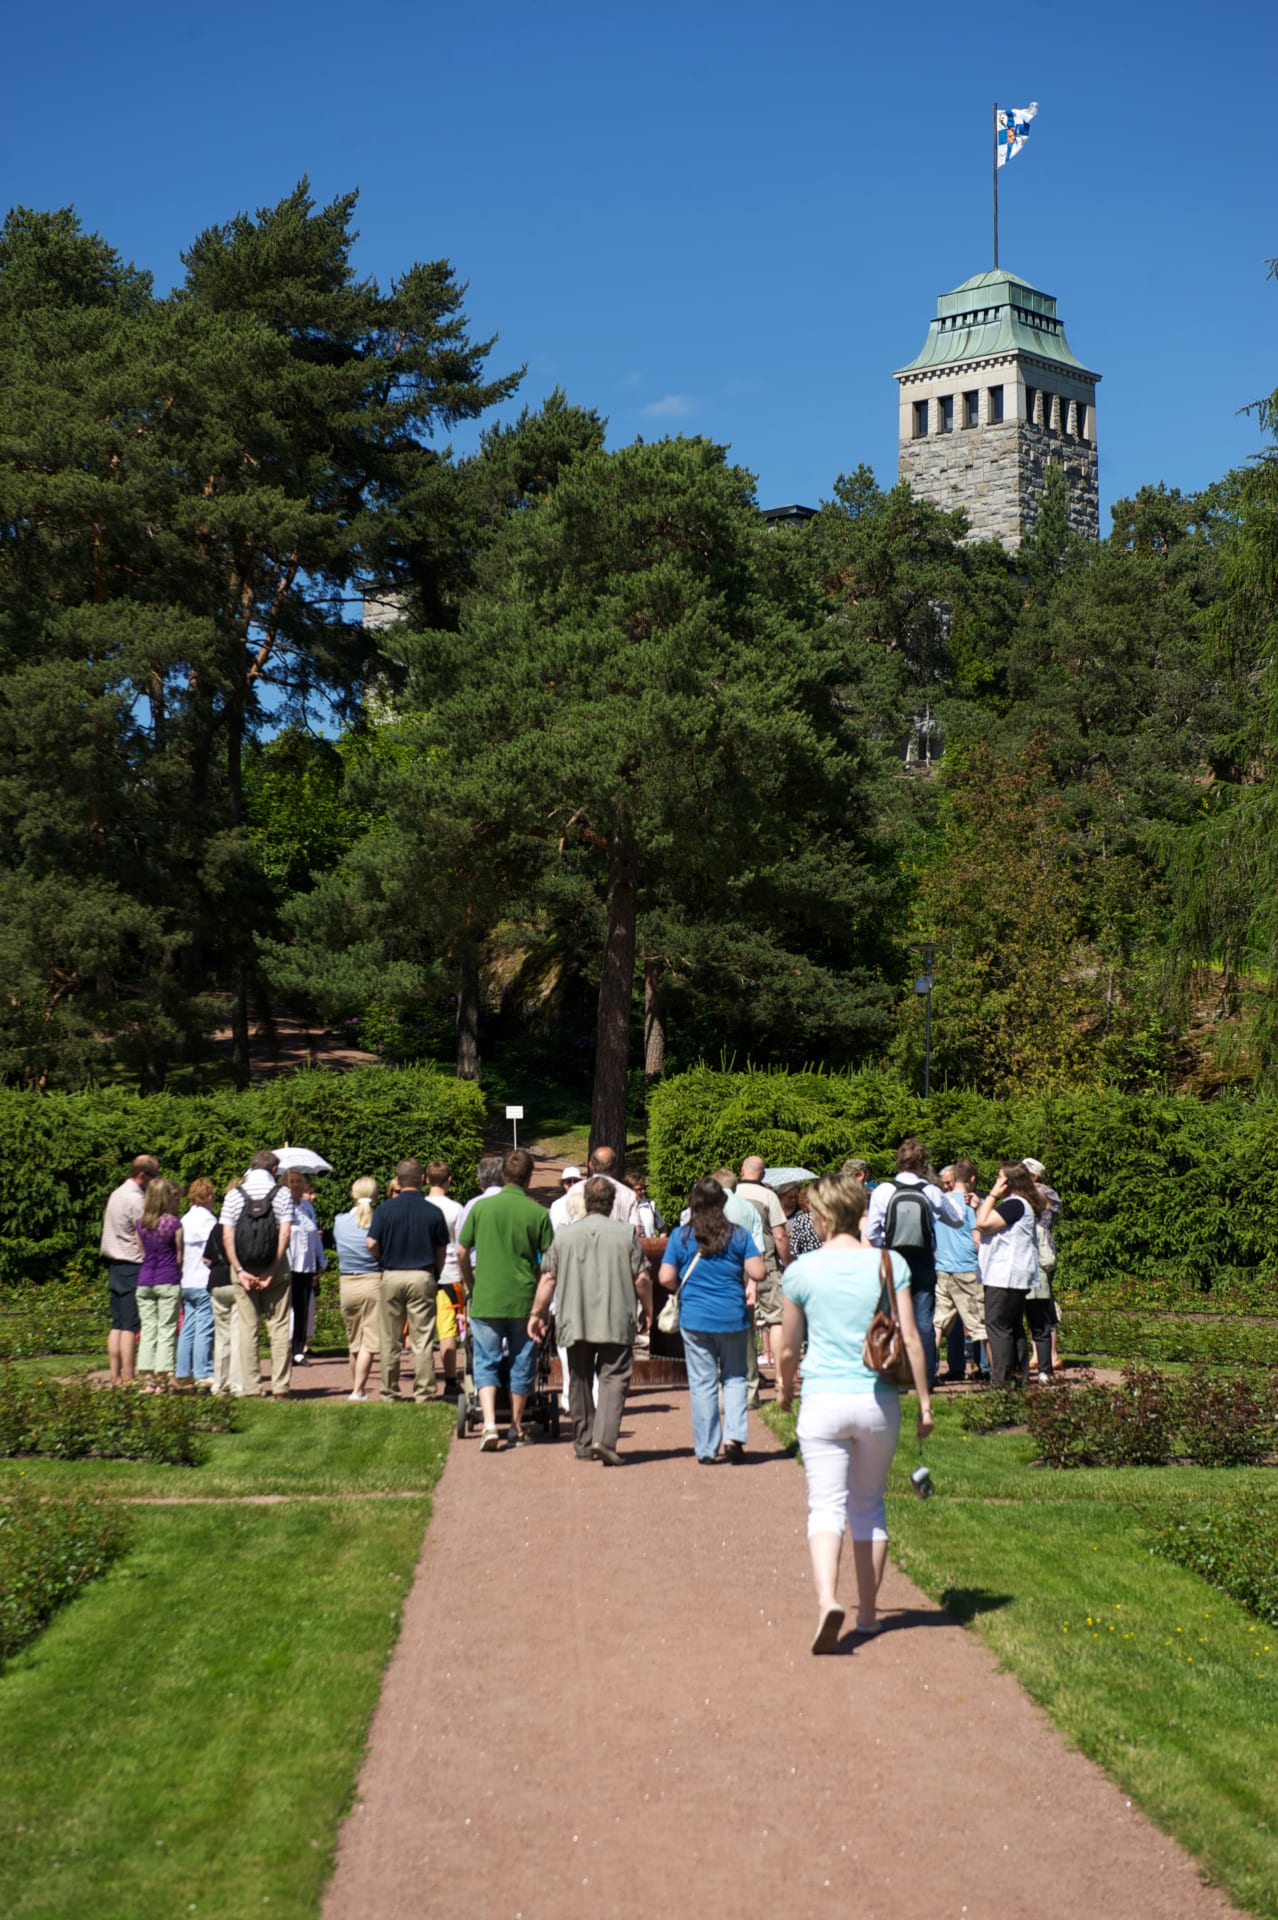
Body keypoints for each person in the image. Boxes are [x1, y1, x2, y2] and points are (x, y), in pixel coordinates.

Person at [777, 1172, 933, 1653]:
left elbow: (787, 1347)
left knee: (825, 1507)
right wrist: (925, 1403)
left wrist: (785, 1389)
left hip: (823, 1399)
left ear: (821, 1217)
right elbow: (910, 1337)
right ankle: (867, 1613)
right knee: (868, 1507)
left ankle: (828, 1600)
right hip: (877, 1401)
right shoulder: (888, 1263)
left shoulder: (802, 1271)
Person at [529, 1176, 653, 1464]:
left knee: (579, 1378)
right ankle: (604, 1439)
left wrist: (538, 1312)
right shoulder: (626, 1234)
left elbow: (548, 1278)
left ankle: (584, 1442)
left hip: (575, 1317)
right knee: (614, 1378)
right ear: (611, 1204)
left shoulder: (564, 1235)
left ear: (585, 1201)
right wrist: (647, 1309)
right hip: (615, 1317)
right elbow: (643, 1278)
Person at [659, 1179, 764, 1466]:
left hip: (696, 1318)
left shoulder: (681, 1236)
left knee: (703, 1383)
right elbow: (759, 1270)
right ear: (722, 1203)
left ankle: (706, 1448)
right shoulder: (738, 1235)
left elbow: (665, 1277)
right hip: (732, 1315)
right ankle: (734, 1437)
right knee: (734, 1377)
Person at [457, 1148, 554, 1450]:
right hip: (524, 1299)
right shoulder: (537, 1213)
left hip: (486, 1296)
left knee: (485, 1359)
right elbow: (550, 1262)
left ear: (503, 1175)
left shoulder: (480, 1209)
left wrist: (471, 1282)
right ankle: (515, 1425)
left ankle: (488, 1423)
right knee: (522, 1361)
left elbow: (461, 1252)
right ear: (529, 1177)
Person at [866, 1139, 966, 1390]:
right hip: (922, 1259)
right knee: (923, 1321)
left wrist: (884, 1247)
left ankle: (897, 1378)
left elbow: (872, 1232)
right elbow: (957, 1219)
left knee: (894, 1318)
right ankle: (926, 1379)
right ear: (922, 1163)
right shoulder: (930, 1191)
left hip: (893, 1258)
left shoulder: (883, 1191)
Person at [368, 1158, 450, 1404]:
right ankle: (424, 1392)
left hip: (392, 1274)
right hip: (422, 1275)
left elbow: (371, 1243)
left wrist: (382, 1257)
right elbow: (442, 1250)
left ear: (398, 1180)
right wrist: (436, 1273)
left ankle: (390, 1391)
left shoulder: (384, 1210)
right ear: (423, 1180)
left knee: (390, 1337)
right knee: (422, 1338)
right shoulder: (433, 1212)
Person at [220, 1149, 295, 1400]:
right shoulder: (282, 1193)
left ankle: (252, 1387)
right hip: (276, 1267)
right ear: (274, 1170)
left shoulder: (233, 1195)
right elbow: (285, 1234)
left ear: (251, 1168)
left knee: (247, 1329)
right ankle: (281, 1387)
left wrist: (240, 1271)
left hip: (243, 1267)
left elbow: (227, 1235)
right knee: (279, 1327)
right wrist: (273, 1269)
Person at [974, 1163, 1045, 1387]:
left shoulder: (1014, 1204)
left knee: (997, 1327)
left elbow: (983, 1224)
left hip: (1004, 1275)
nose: (997, 1182)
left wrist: (993, 1195)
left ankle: (1001, 1382)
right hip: (1015, 1275)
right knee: (1012, 1327)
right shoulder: (1021, 1205)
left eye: (999, 1178)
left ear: (1009, 1182)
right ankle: (1018, 1379)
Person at [99, 1153, 158, 1386]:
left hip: (114, 1263)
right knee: (129, 1325)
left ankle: (115, 1376)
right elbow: (143, 1235)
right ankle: (129, 1376)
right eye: (154, 1176)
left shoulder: (116, 1193)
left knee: (117, 1323)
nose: (156, 1181)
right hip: (132, 1264)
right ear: (142, 1175)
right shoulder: (136, 1200)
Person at [737, 1156, 790, 1378]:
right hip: (764, 1262)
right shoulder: (769, 1196)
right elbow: (780, 1235)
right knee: (776, 1318)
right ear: (763, 1175)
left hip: (735, 1264)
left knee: (741, 1320)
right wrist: (787, 1262)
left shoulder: (730, 1195)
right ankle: (781, 1375)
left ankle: (748, 1374)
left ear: (741, 1171)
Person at [935, 1162, 987, 1382]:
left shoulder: (937, 1202)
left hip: (943, 1267)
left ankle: (928, 1371)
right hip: (967, 1267)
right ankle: (991, 1372)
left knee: (938, 1323)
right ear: (972, 1180)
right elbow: (978, 1238)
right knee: (980, 1324)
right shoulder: (970, 1204)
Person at [333, 1177, 382, 1401]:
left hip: (347, 1282)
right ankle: (357, 1390)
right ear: (375, 1195)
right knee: (369, 1341)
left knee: (354, 1340)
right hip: (372, 1280)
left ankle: (357, 1387)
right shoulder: (378, 1220)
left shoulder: (339, 1221)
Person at [133, 1177, 184, 1391]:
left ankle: (146, 1378)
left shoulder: (140, 1224)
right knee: (166, 1329)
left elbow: (142, 1252)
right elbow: (180, 1255)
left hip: (145, 1281)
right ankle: (163, 1375)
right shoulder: (173, 1223)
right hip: (167, 1279)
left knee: (148, 1329)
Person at [175, 1178, 218, 1389]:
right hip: (203, 1280)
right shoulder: (208, 1221)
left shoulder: (185, 1219)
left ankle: (183, 1370)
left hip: (186, 1280)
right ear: (209, 1197)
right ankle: (203, 1371)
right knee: (205, 1328)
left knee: (188, 1327)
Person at [426, 1161, 464, 1394]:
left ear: (425, 1179)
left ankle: (426, 1378)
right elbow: (460, 1245)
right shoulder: (456, 1209)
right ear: (449, 1179)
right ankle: (450, 1380)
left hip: (423, 1271)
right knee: (448, 1328)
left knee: (423, 1329)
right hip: (449, 1273)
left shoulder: (421, 1206)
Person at [1023, 1157, 1063, 1375]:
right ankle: (1039, 1354)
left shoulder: (1042, 1192)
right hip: (1034, 1246)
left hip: (1041, 1248)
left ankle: (1051, 1354)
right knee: (1034, 1301)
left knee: (1044, 1300)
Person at [204, 1181, 243, 1398]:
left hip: (216, 1282)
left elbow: (206, 1258)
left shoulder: (217, 1227)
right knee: (238, 1335)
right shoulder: (241, 1227)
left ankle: (219, 1383)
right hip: (236, 1280)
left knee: (221, 1337)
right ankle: (237, 1385)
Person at [284, 1168, 321, 1366]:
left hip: (306, 1265)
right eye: (292, 1182)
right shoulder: (283, 1207)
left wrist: (320, 1260)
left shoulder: (307, 1207)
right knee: (285, 1309)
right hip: (289, 1264)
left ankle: (299, 1350)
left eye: (299, 1181)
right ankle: (284, 1349)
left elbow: (314, 1235)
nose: (296, 1185)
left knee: (302, 1309)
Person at [587, 1145, 641, 1227]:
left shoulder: (575, 1190)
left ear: (590, 1166)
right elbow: (636, 1229)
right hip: (619, 1239)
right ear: (615, 1167)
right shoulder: (628, 1194)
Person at [778, 1183, 821, 1259]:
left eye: (796, 1197)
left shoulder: (800, 1217)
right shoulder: (776, 1210)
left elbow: (794, 1248)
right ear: (782, 1196)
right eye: (790, 1197)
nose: (794, 1200)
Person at [628, 1174, 666, 1239]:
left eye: (644, 1188)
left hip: (649, 1247)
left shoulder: (650, 1204)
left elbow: (662, 1228)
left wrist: (659, 1244)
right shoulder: (623, 1207)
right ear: (630, 1189)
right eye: (639, 1189)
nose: (643, 1191)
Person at [549, 1166, 585, 1233]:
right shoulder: (556, 1205)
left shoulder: (588, 1202)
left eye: (576, 1181)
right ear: (563, 1184)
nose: (572, 1184)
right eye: (569, 1181)